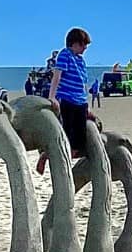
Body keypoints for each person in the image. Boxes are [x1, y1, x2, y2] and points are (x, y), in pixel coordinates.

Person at [38, 28, 92, 175]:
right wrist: (52, 96)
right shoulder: (65, 55)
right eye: (82, 45)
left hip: (80, 101)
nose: (85, 48)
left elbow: (83, 83)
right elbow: (57, 76)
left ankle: (68, 157)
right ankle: (47, 156)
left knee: (79, 140)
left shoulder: (81, 60)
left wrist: (86, 104)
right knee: (66, 133)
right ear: (74, 43)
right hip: (67, 100)